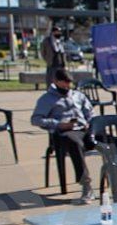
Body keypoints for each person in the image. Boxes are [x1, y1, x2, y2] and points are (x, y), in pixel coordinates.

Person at [30, 69, 97, 203]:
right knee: (73, 143)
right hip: (64, 133)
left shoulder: (78, 96)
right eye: (64, 83)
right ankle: (86, 185)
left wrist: (90, 123)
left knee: (114, 140)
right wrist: (58, 124)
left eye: (69, 83)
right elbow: (36, 119)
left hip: (84, 129)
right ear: (55, 82)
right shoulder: (46, 99)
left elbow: (90, 113)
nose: (67, 86)